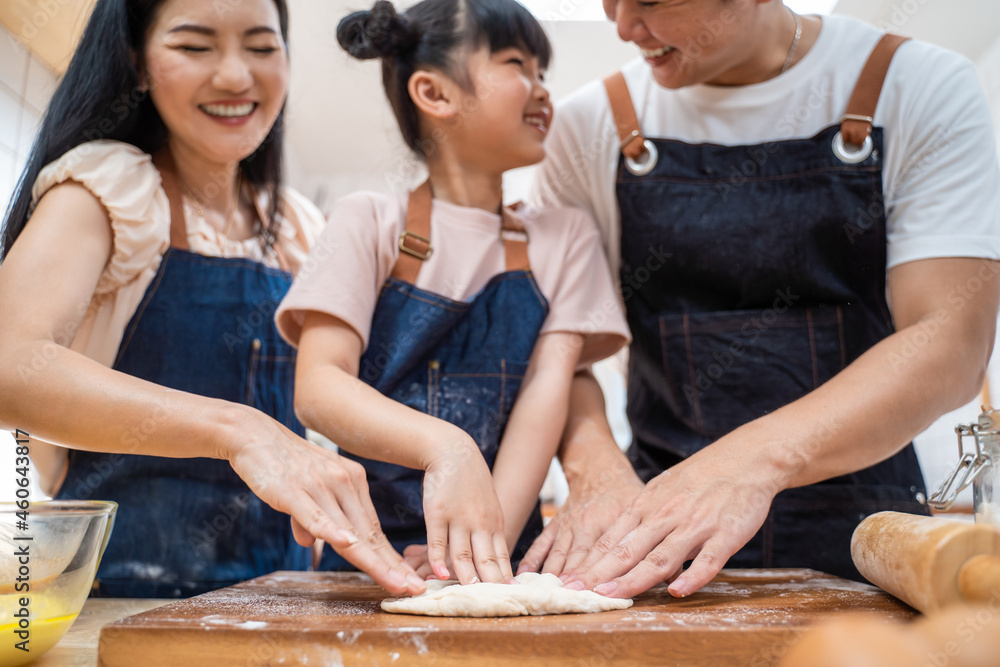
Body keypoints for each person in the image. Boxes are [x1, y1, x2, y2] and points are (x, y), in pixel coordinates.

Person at [519, 0, 1000, 598]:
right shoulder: (585, 127)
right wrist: (593, 472)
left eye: (649, 1)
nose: (622, 27)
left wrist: (749, 465)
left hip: (868, 537)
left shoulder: (918, 85)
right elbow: (560, 357)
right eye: (608, 1)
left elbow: (951, 343)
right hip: (652, 540)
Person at [0, 0, 425, 598]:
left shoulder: (298, 226)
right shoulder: (108, 185)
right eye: (195, 47)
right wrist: (240, 430)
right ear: (137, 63)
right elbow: (11, 366)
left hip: (279, 599)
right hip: (120, 600)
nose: (234, 75)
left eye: (259, 46)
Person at [275, 0, 630, 585]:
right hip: (368, 560)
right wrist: (450, 447)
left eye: (544, 71)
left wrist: (479, 554)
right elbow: (319, 387)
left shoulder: (563, 236)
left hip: (502, 557)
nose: (542, 89)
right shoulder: (368, 222)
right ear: (435, 94)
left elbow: (548, 391)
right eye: (518, 63)